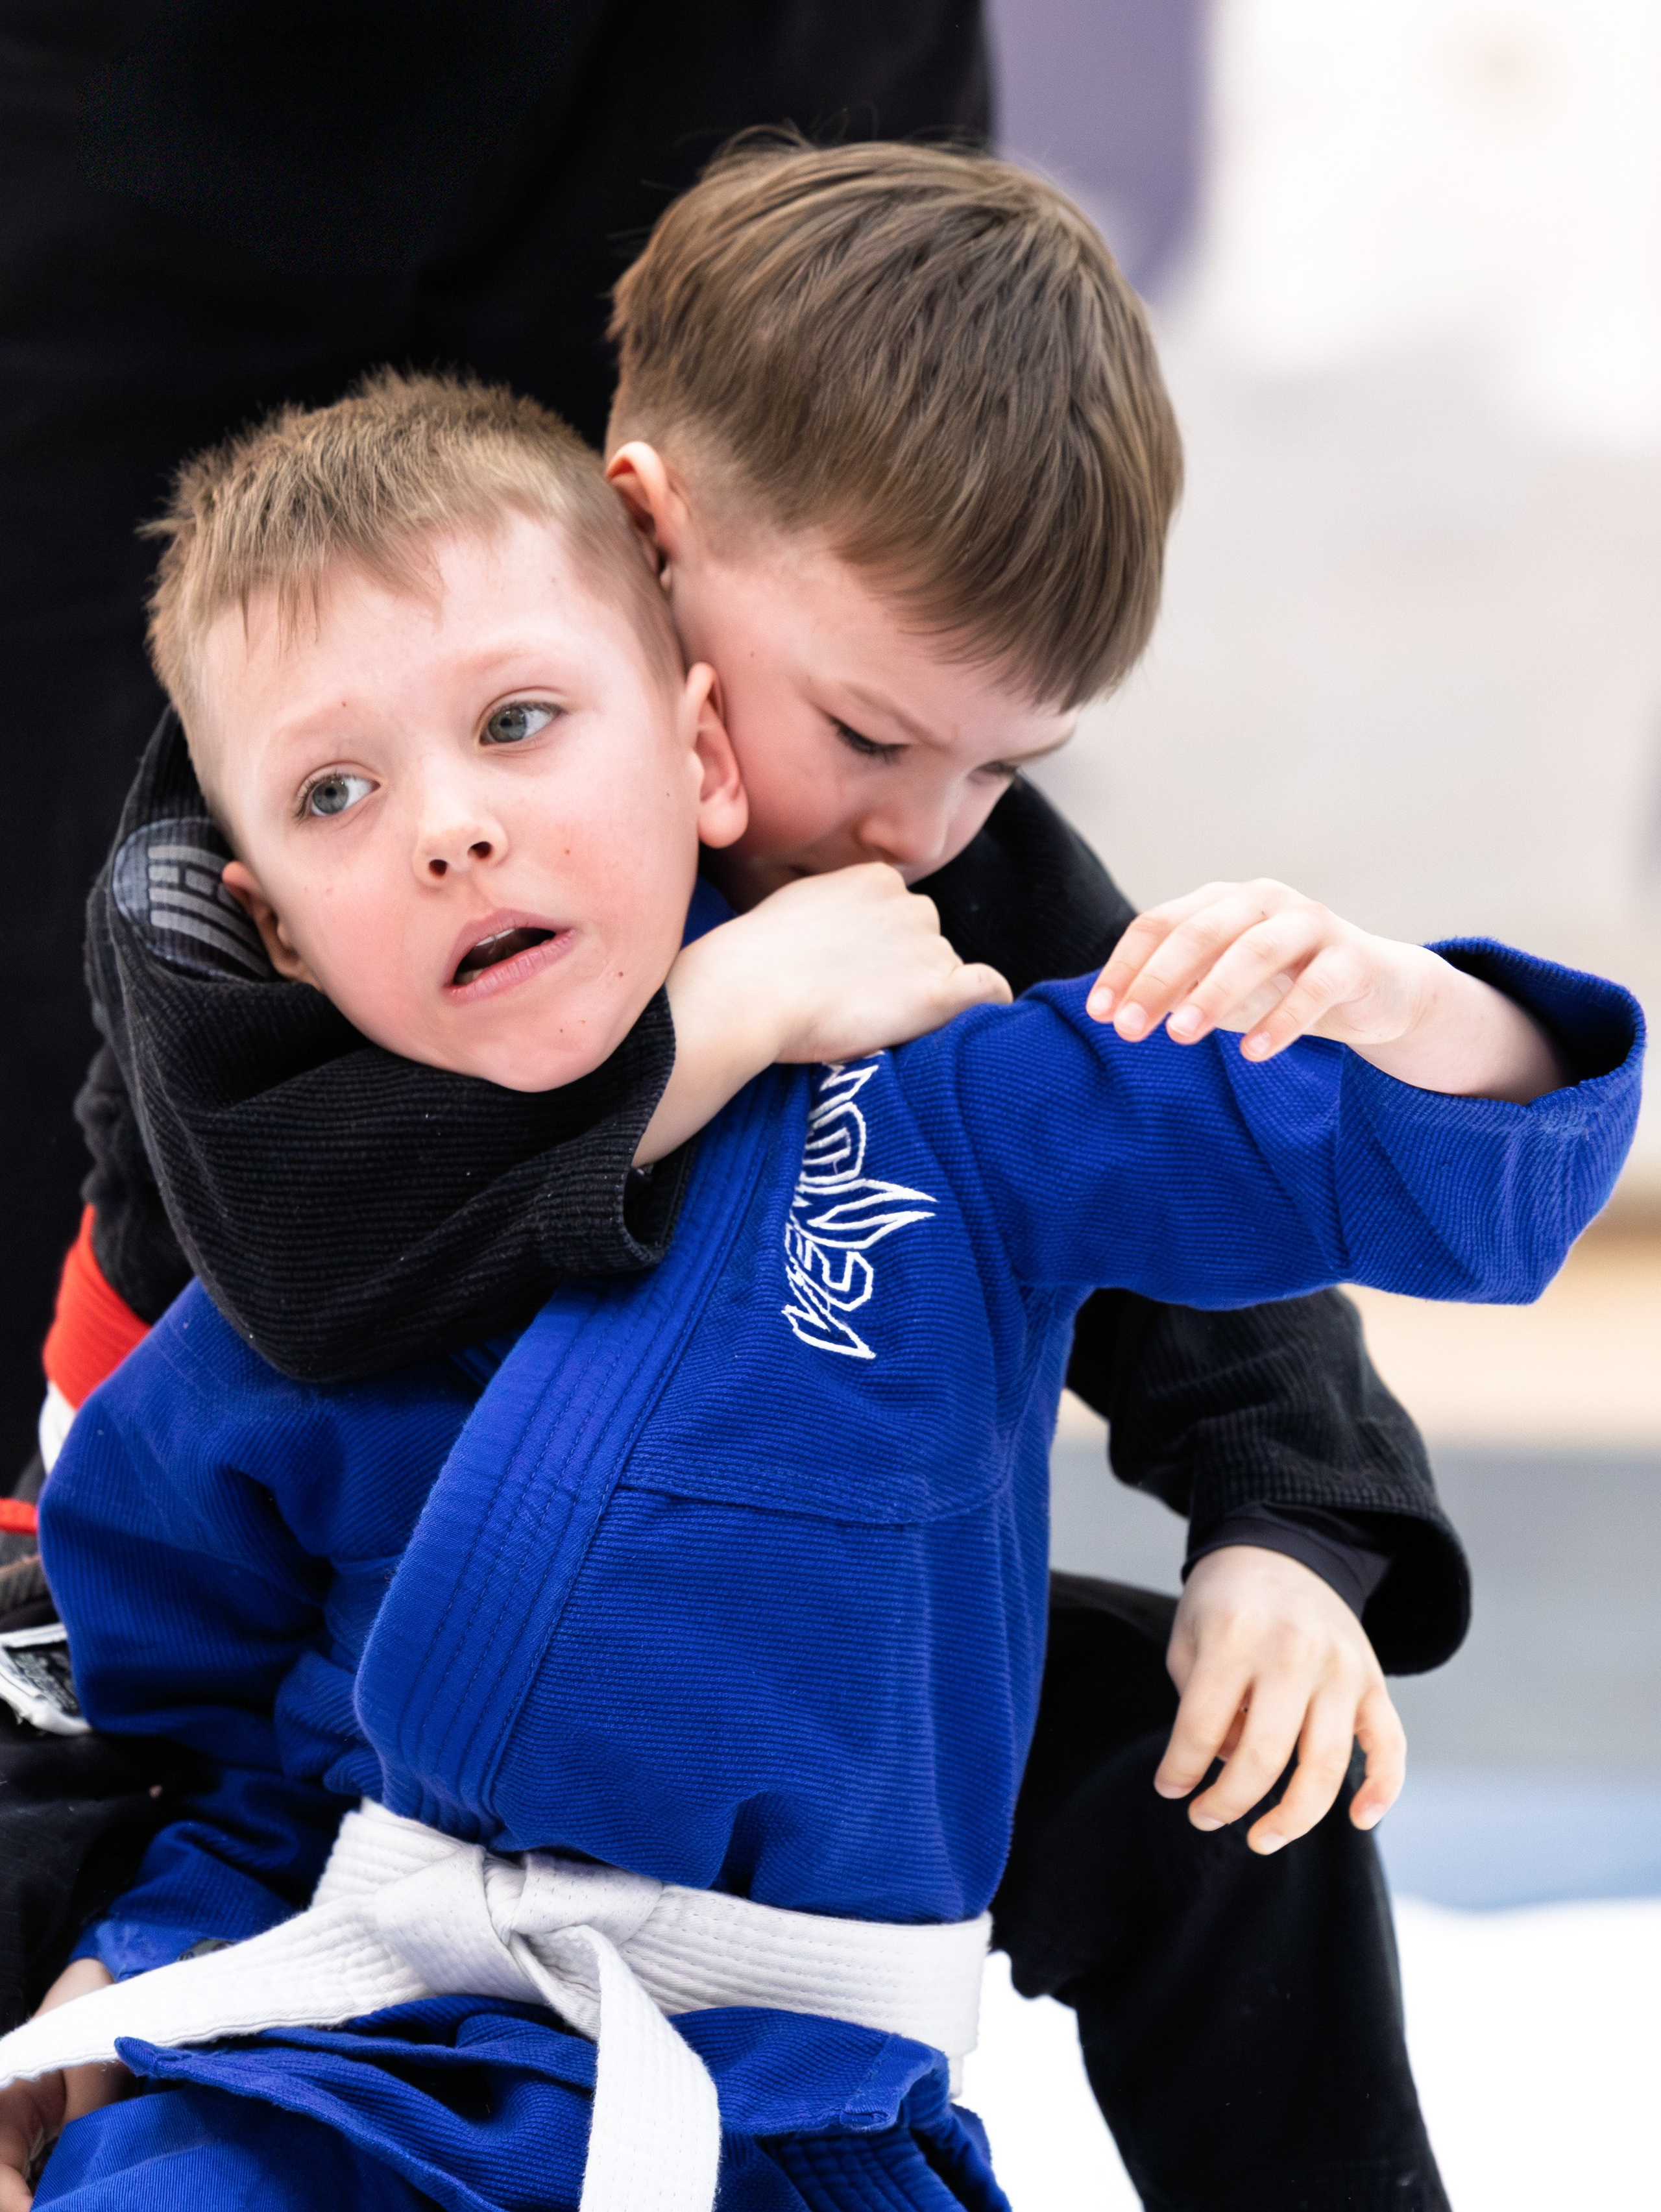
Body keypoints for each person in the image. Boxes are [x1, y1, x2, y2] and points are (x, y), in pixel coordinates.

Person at [0, 372, 1639, 2212]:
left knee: (1239, 1780)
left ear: (695, 749)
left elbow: (1393, 1171)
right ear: (275, 923)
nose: (447, 824)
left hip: (800, 2106)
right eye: (338, 794)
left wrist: (1411, 1013)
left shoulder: (947, 1063)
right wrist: (127, 1969)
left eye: (521, 723)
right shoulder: (276, 1277)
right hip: (363, 2063)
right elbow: (207, 1755)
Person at [0, 0, 991, 1483]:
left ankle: (693, 1505)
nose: (453, 823)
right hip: (154, 101)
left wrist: (1288, 1509)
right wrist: (704, 1027)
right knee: (96, 873)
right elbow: (295, 1235)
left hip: (750, 63)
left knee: (848, 773)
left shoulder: (872, 792)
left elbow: (1124, 1070)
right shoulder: (187, 895)